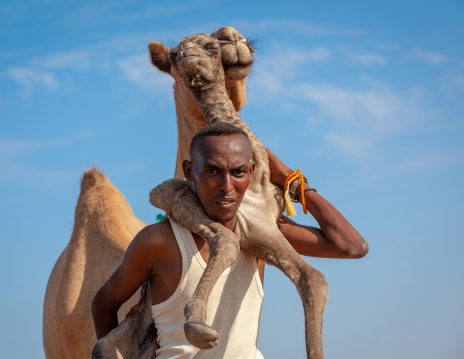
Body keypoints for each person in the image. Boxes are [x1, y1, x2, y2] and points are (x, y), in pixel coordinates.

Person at [92, 122, 368, 358]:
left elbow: (351, 246)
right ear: (190, 172)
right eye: (212, 172)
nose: (227, 187)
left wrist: (291, 180)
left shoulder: (263, 232)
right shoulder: (160, 241)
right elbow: (104, 303)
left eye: (237, 172)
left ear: (251, 172)